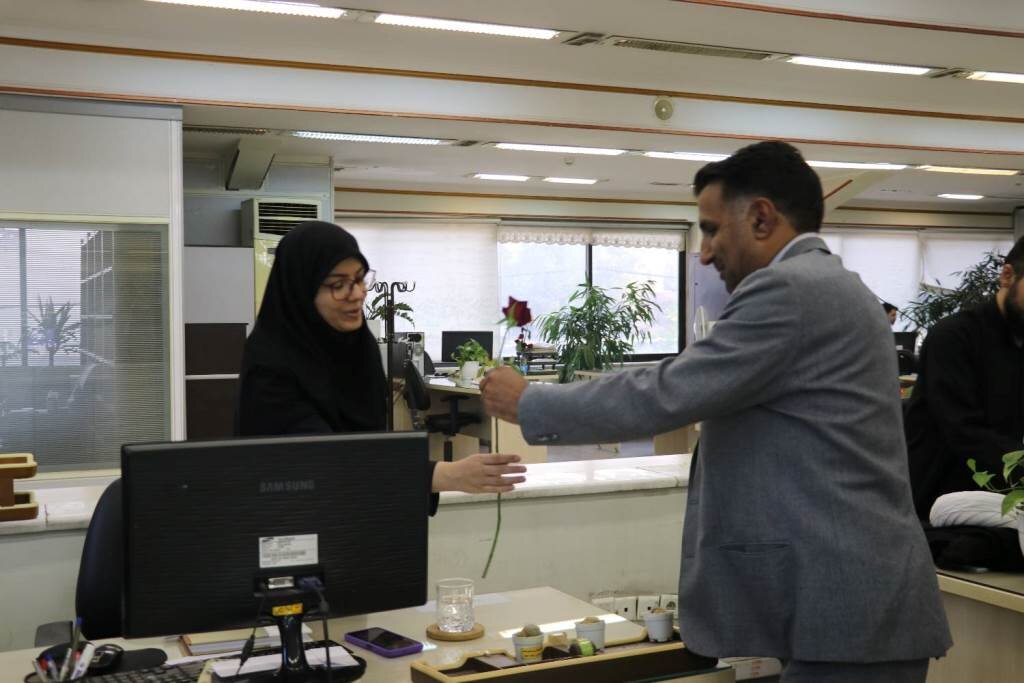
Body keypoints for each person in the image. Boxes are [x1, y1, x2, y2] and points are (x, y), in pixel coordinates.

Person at [481, 142, 950, 682]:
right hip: (846, 603)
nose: (703, 254)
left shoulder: (791, 289)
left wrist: (531, 401)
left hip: (846, 607)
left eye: (710, 230)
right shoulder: (830, 284)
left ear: (761, 218)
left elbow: (669, 391)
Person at [237, 221, 525, 504]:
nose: (357, 294)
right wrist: (442, 475)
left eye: (360, 279)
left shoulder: (357, 346)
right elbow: (316, 460)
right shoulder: (270, 364)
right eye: (338, 285)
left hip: (365, 514)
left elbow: (371, 446)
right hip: (295, 516)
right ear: (301, 290)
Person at [904, 237, 1024, 520]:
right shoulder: (953, 337)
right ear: (1007, 276)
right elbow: (963, 431)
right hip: (941, 499)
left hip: (1004, 492)